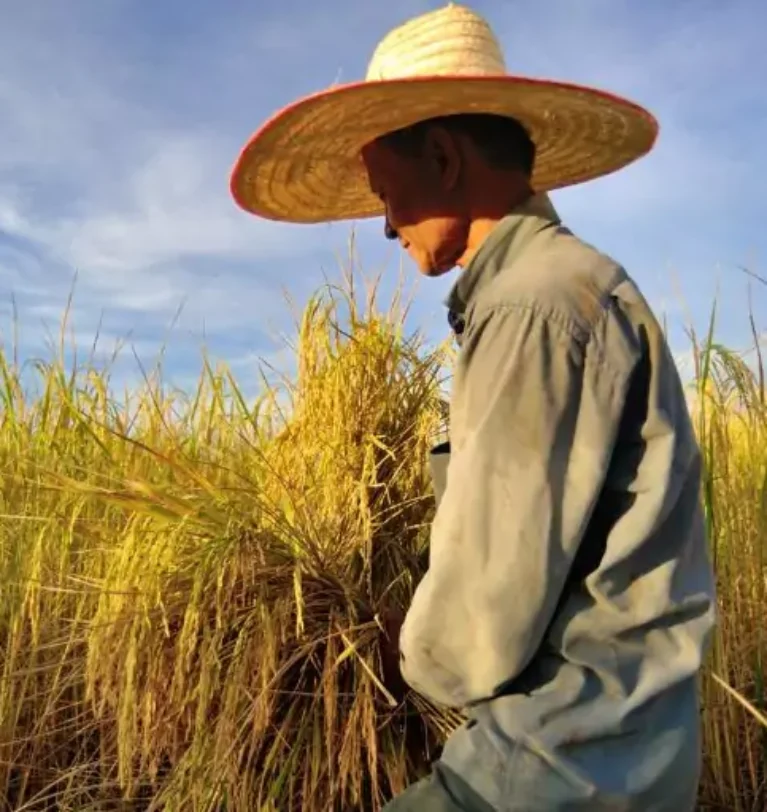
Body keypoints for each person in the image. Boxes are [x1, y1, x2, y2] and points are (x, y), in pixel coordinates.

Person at [230, 4, 716, 810]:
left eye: (387, 194)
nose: (386, 227)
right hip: (611, 758)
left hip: (556, 767)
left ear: (445, 158)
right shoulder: (562, 290)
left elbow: (484, 618)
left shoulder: (532, 307)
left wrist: (406, 651)